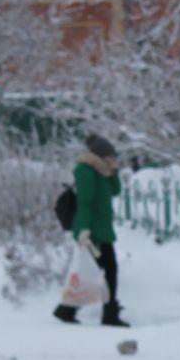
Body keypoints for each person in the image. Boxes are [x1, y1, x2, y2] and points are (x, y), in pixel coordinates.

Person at [54, 132, 128, 327]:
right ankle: (109, 313)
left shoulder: (103, 171)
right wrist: (83, 231)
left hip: (101, 228)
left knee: (94, 271)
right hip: (92, 230)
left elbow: (115, 191)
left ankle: (67, 310)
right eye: (111, 155)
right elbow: (85, 203)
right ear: (101, 155)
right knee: (107, 270)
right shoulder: (86, 171)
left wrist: (114, 172)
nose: (113, 158)